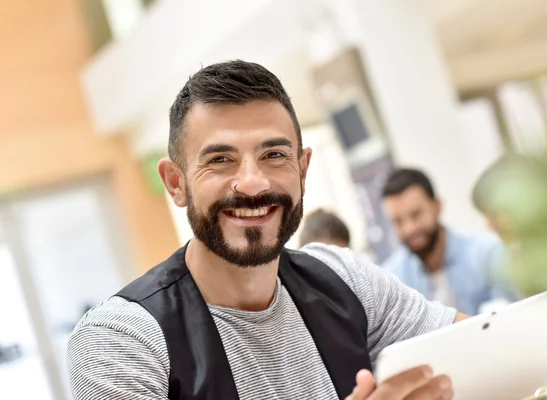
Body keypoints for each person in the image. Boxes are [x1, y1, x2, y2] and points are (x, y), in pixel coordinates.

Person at [67, 60, 467, 400]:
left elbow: (483, 347)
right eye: (221, 159)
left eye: (274, 155)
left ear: (303, 169)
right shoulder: (122, 339)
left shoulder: (344, 278)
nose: (254, 183)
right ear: (176, 183)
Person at [381, 168, 516, 315]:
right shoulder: (392, 279)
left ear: (437, 206)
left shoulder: (487, 254)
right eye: (397, 221)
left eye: (416, 215)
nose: (409, 229)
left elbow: (507, 318)